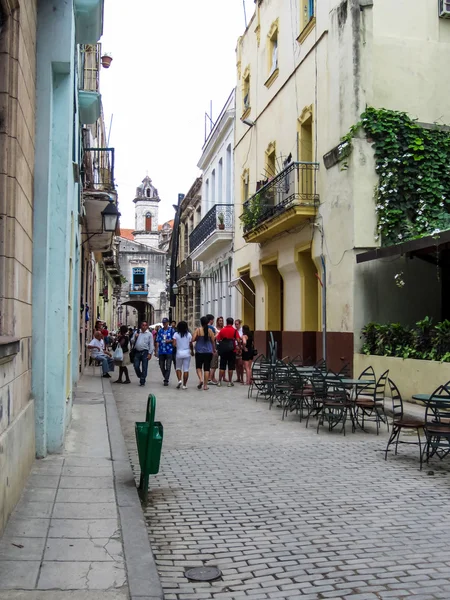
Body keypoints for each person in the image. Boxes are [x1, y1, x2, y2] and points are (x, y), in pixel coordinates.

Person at [192, 316, 215, 390]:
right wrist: (214, 350)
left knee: (198, 367)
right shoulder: (210, 331)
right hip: (208, 352)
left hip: (199, 351)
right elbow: (213, 341)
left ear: (201, 323)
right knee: (207, 368)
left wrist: (197, 338)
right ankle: (205, 385)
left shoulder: (198, 330)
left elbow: (193, 339)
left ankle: (201, 379)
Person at [216, 317, 239, 387]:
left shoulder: (222, 330)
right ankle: (229, 382)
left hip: (223, 350)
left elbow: (217, 339)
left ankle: (219, 381)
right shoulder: (235, 331)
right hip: (232, 350)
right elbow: (238, 340)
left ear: (226, 322)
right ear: (232, 323)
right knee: (230, 367)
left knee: (222, 366)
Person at [132, 321, 154, 386]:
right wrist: (135, 337)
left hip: (145, 352)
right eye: (143, 325)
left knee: (144, 366)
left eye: (145, 325)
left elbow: (151, 344)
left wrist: (150, 353)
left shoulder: (149, 334)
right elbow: (132, 341)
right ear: (141, 326)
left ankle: (142, 380)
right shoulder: (137, 332)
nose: (144, 326)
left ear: (147, 326)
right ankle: (140, 375)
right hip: (137, 351)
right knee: (136, 366)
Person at [173, 321, 193, 389]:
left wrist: (178, 346)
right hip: (187, 353)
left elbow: (174, 344)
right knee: (186, 369)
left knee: (178, 368)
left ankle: (179, 380)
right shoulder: (189, 334)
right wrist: (192, 351)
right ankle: (184, 385)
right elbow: (191, 344)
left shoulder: (176, 334)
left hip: (179, 352)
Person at [155, 318, 175, 386]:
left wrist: (169, 341)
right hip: (161, 350)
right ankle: (165, 376)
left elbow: (175, 339)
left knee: (168, 366)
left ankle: (166, 380)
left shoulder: (171, 330)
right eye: (163, 323)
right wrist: (156, 350)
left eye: (165, 323)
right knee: (161, 365)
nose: (164, 324)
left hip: (169, 350)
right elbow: (157, 340)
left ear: (168, 323)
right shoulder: (160, 330)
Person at [210, 316, 224, 385]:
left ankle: (223, 377)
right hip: (216, 345)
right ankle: (212, 377)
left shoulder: (224, 328)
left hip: (223, 346)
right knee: (214, 362)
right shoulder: (215, 328)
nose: (221, 322)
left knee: (223, 362)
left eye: (222, 321)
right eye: (219, 321)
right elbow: (213, 338)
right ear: (217, 321)